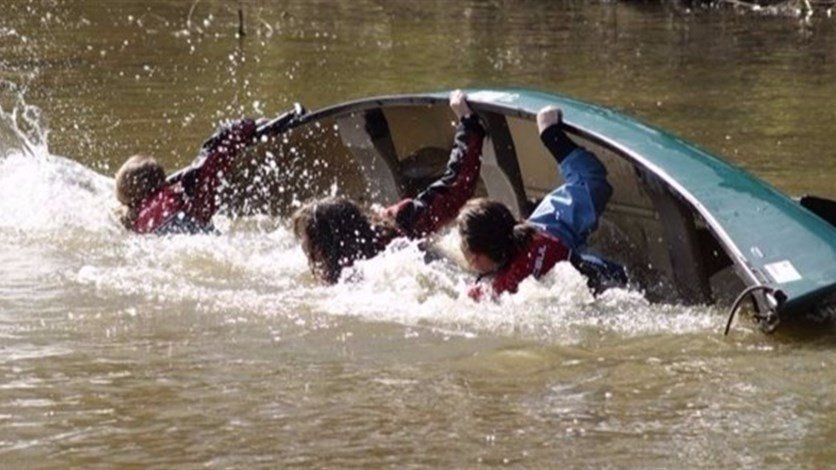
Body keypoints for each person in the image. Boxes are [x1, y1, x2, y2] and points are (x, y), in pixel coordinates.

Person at [292, 89, 485, 283]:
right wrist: (468, 123)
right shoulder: (399, 224)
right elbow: (457, 187)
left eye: (308, 244)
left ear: (321, 249)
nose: (304, 249)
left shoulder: (337, 277)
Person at [460, 106, 626, 300]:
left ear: (476, 258)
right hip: (568, 255)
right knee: (592, 181)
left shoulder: (500, 289)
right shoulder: (537, 234)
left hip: (568, 259)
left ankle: (549, 135)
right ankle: (552, 135)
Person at [115, 118, 257, 234]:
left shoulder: (135, 222)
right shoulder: (176, 196)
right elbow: (211, 164)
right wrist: (242, 128)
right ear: (163, 183)